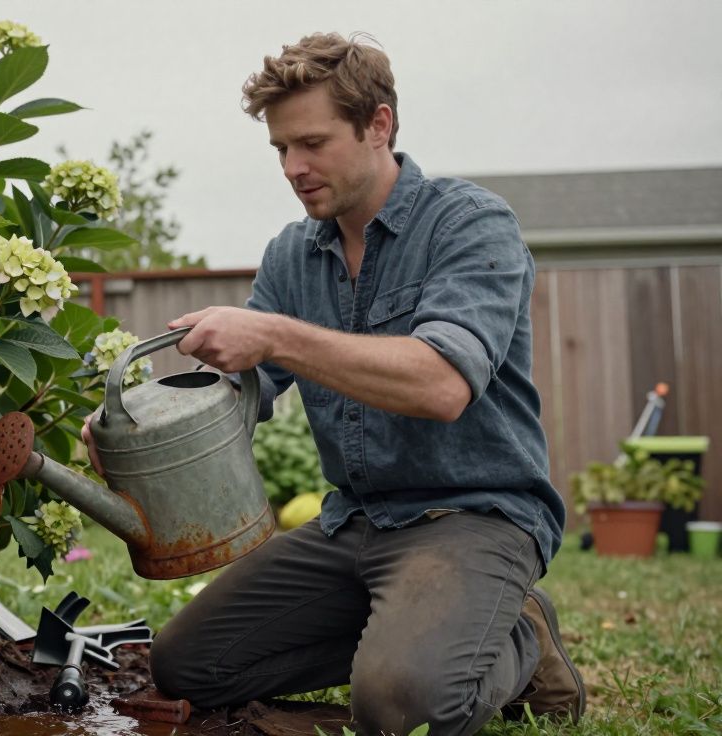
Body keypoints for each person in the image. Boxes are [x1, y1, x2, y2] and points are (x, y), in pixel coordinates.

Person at [82, 32, 584, 735]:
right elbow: (241, 395)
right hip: (354, 524)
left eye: (312, 143)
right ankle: (424, 638)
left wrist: (276, 334)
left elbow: (442, 385)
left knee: (401, 708)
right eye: (281, 149)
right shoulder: (293, 255)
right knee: (189, 666)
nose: (293, 166)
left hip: (475, 517)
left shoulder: (470, 225)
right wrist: (137, 426)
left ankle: (518, 642)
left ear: (378, 124)